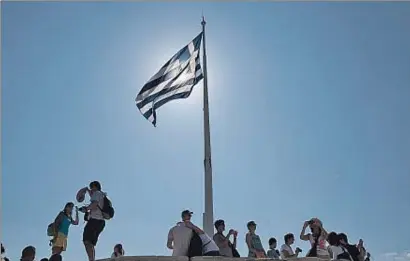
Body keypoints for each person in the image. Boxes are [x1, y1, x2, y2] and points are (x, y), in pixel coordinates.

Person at [81, 181, 106, 261]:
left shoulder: (96, 193)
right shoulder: (101, 194)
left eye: (92, 187)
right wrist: (87, 191)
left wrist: (86, 209)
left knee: (86, 241)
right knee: (91, 243)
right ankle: (92, 259)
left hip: (94, 220)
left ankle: (91, 259)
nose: (91, 189)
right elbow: (94, 198)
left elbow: (94, 204)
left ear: (95, 187)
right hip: (101, 222)